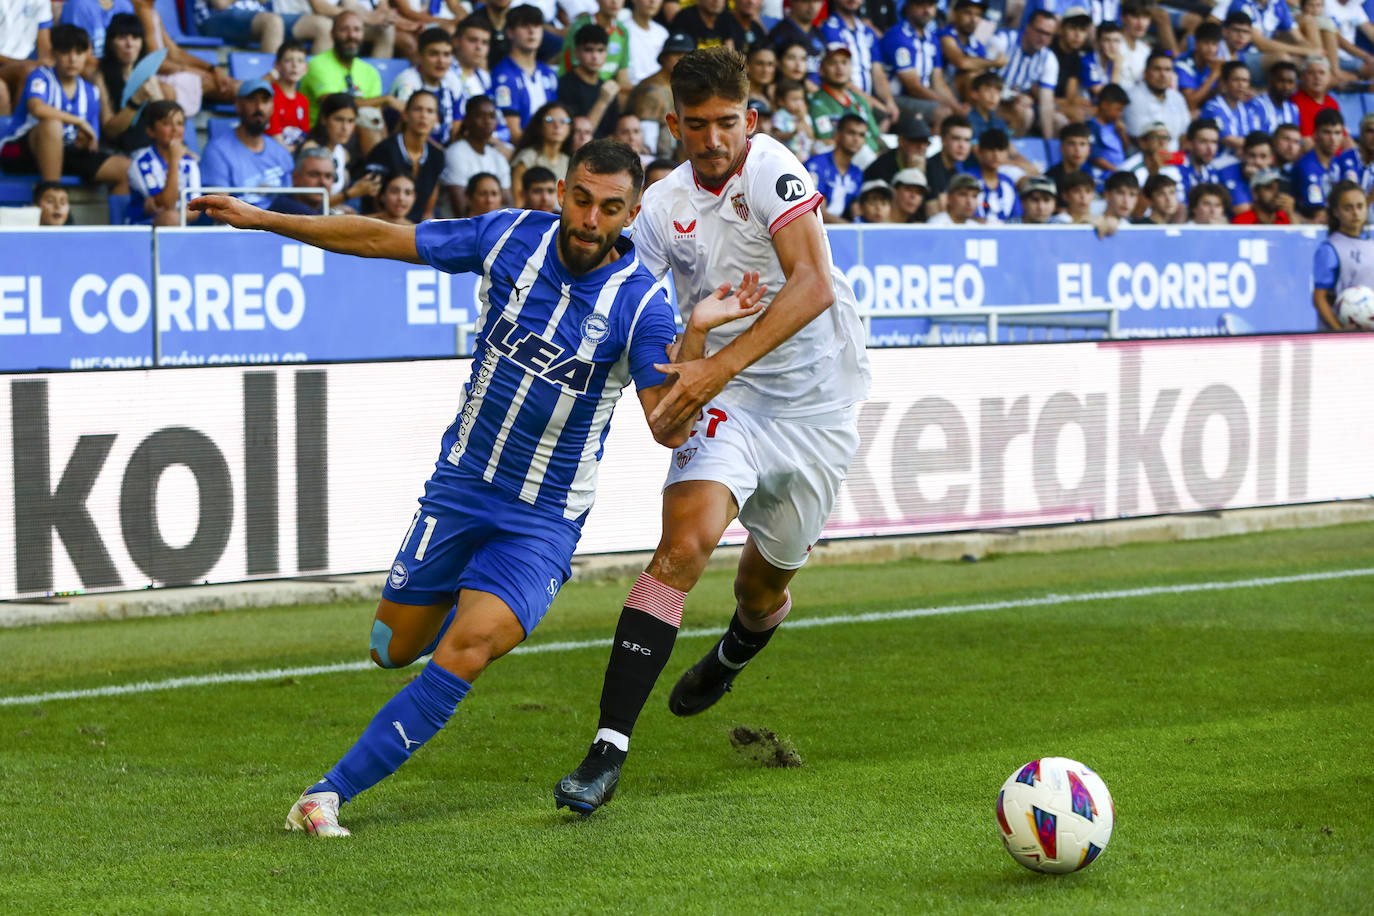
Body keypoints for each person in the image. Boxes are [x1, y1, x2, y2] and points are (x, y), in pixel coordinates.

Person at [189, 139, 760, 839]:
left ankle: (325, 795)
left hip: (541, 521)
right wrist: (262, 218)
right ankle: (420, 644)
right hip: (458, 489)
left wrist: (697, 334)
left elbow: (668, 429)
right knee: (392, 651)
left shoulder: (641, 304)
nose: (589, 219)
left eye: (610, 208)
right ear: (560, 191)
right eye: (581, 199)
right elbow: (380, 235)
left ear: (631, 212)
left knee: (468, 648)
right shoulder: (508, 236)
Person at [552, 46, 870, 816]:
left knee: (762, 591)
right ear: (675, 126)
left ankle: (734, 651)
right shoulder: (661, 206)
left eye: (728, 122)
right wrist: (670, 367)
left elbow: (814, 285)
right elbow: (628, 295)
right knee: (681, 549)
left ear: (750, 120)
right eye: (697, 125)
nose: (714, 138)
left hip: (817, 408)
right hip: (731, 403)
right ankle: (606, 750)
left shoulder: (772, 171)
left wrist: (713, 367)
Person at [1, 24, 131, 194]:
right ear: (53, 53)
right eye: (65, 52)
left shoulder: (91, 92)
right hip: (19, 152)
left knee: (126, 169)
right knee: (51, 125)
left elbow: (92, 140)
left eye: (78, 53)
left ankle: (125, 220)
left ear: (88, 54)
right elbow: (37, 108)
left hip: (65, 152)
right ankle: (53, 194)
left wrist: (85, 143)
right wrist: (78, 121)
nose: (72, 59)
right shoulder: (40, 76)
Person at [200, 79, 294, 207]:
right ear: (238, 105)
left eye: (265, 101)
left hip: (279, 221)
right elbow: (219, 210)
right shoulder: (217, 151)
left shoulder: (279, 151)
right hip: (241, 225)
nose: (259, 107)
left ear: (272, 107)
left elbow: (294, 196)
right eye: (252, 100)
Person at [362, 89, 446, 222]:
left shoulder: (437, 156)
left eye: (430, 111)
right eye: (418, 109)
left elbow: (428, 211)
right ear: (405, 114)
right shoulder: (384, 150)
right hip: (380, 225)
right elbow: (371, 201)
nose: (423, 115)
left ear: (436, 119)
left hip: (415, 230)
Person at [299, 11, 386, 137]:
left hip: (359, 134)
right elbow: (334, 105)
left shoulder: (370, 71)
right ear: (332, 35)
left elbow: (377, 115)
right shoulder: (317, 64)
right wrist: (386, 99)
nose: (352, 35)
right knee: (365, 115)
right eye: (344, 30)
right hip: (321, 135)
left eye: (357, 30)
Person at [492, 4, 560, 144]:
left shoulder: (549, 74)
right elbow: (513, 133)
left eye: (536, 26)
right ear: (510, 32)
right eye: (524, 26)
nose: (532, 31)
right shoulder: (503, 75)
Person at [300, 92, 378, 211]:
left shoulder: (342, 153)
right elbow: (309, 204)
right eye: (339, 119)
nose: (345, 128)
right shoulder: (310, 150)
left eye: (350, 121)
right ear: (324, 119)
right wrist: (353, 193)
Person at [126, 98, 200, 224]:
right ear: (151, 131)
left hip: (176, 226)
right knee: (169, 217)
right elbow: (166, 205)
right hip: (141, 229)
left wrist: (178, 217)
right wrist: (174, 161)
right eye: (166, 123)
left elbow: (195, 210)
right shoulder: (141, 163)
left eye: (180, 123)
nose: (175, 129)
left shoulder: (190, 163)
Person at [1312, 180, 1374, 329]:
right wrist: (1339, 333)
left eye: (1360, 206)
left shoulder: (1371, 244)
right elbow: (1319, 299)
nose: (1355, 213)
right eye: (1348, 208)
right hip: (1340, 338)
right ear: (1335, 212)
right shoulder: (1330, 249)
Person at [989, 8, 1059, 138]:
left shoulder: (1049, 59)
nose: (1043, 38)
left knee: (1028, 113)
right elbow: (981, 80)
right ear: (1028, 27)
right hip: (987, 101)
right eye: (1040, 31)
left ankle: (1013, 149)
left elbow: (1046, 104)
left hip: (1012, 106)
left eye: (1048, 34)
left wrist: (1048, 140)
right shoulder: (1003, 42)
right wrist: (1012, 95)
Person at [808, 42, 884, 160]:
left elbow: (876, 136)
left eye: (844, 62)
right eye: (833, 63)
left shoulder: (859, 100)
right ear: (821, 70)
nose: (840, 68)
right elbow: (827, 141)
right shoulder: (818, 102)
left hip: (874, 159)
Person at [392, 27, 465, 146]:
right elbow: (409, 128)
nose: (441, 61)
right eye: (434, 54)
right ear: (419, 56)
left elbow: (456, 126)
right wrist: (441, 154)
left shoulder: (453, 80)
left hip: (444, 150)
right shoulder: (407, 82)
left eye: (447, 54)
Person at [441, 95, 513, 215]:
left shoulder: (498, 158)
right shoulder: (456, 153)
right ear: (467, 120)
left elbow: (509, 206)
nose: (487, 121)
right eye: (480, 116)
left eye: (492, 116)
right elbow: (461, 210)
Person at [629, 31, 695, 160]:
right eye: (676, 54)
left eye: (686, 55)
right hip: (653, 162)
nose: (681, 58)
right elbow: (647, 146)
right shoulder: (652, 90)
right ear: (663, 58)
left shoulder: (685, 87)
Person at [190, 0, 330, 56]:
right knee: (273, 22)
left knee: (323, 25)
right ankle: (271, 91)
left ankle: (312, 87)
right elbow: (220, 3)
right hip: (216, 18)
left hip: (257, 14)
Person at [1294, 106, 1359, 220]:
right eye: (1327, 132)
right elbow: (1319, 215)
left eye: (1337, 133)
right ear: (1315, 135)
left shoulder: (1341, 163)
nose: (1333, 138)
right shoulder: (1306, 166)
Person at [558, 24, 622, 137]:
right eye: (589, 50)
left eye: (600, 50)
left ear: (606, 53)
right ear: (576, 52)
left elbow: (612, 132)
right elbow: (579, 136)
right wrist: (603, 101)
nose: (595, 56)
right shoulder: (563, 85)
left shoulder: (607, 88)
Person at [805, 111, 866, 221]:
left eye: (861, 135)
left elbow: (855, 211)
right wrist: (849, 228)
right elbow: (816, 211)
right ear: (837, 135)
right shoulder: (816, 165)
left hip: (838, 231)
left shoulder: (857, 173)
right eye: (851, 133)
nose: (856, 139)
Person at [1124, 50, 1190, 152]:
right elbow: (1139, 139)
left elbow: (1184, 134)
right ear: (1145, 73)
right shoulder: (1132, 98)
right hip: (1145, 159)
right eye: (1157, 69)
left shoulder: (1177, 97)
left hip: (1174, 159)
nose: (1163, 74)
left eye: (1167, 70)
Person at [509, 100, 573, 206]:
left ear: (570, 128)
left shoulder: (569, 161)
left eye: (563, 121)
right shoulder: (526, 158)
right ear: (539, 126)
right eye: (549, 120)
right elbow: (518, 204)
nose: (557, 125)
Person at [1201, 60, 1259, 155]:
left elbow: (1256, 137)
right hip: (1219, 162)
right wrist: (1254, 145)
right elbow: (1228, 139)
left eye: (1245, 80)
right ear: (1224, 82)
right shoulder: (1213, 107)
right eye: (1236, 80)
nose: (1241, 85)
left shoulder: (1248, 109)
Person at [967, 127, 1021, 221]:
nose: (996, 155)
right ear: (979, 152)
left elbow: (1016, 216)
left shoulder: (1008, 182)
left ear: (1006, 154)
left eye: (1000, 150)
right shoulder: (967, 179)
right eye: (991, 149)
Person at [924, 113, 973, 214]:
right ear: (943, 139)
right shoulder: (929, 167)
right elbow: (935, 210)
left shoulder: (958, 169)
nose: (962, 145)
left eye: (967, 140)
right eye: (956, 138)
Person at [269, 144, 337, 214]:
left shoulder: (321, 208)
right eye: (314, 175)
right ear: (295, 177)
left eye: (328, 176)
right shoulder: (284, 207)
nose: (323, 182)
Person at [863, 114, 928, 183]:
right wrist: (912, 172)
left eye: (926, 142)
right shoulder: (881, 167)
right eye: (916, 141)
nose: (922, 147)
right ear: (900, 141)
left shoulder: (928, 165)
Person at [623, 0, 669, 87]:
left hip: (660, 90)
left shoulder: (662, 33)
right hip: (631, 91)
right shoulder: (622, 30)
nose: (653, 1)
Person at [1247, 59, 1299, 134]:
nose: (1286, 87)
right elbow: (1255, 138)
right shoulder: (1257, 105)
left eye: (1290, 82)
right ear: (1270, 80)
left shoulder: (1293, 109)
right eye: (1281, 81)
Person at [926, 170, 990, 223]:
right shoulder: (936, 224)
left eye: (974, 196)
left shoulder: (974, 226)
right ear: (949, 198)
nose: (969, 202)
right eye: (963, 194)